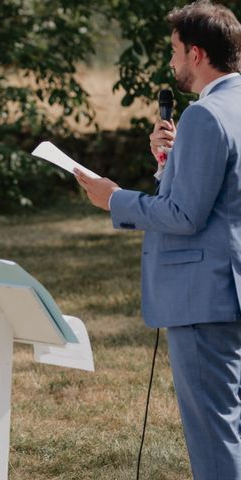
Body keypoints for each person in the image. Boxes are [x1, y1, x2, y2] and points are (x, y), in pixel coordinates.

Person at [75, 1, 241, 478]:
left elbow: (185, 215)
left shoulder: (206, 116)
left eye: (174, 52)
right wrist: (170, 164)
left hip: (205, 298)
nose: (171, 63)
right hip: (230, 288)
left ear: (195, 52)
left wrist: (115, 199)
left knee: (214, 436)